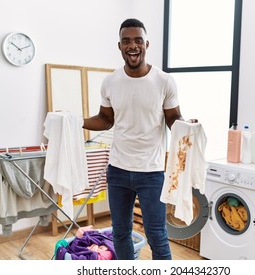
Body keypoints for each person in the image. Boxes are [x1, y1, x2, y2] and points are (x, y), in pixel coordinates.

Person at [83, 18, 195, 260]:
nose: (132, 46)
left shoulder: (164, 81)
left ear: (146, 43)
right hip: (118, 170)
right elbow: (105, 118)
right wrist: (75, 121)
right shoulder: (110, 81)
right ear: (119, 46)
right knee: (120, 233)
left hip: (151, 172)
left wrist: (187, 127)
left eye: (137, 40)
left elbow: (173, 118)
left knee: (157, 235)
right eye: (126, 41)